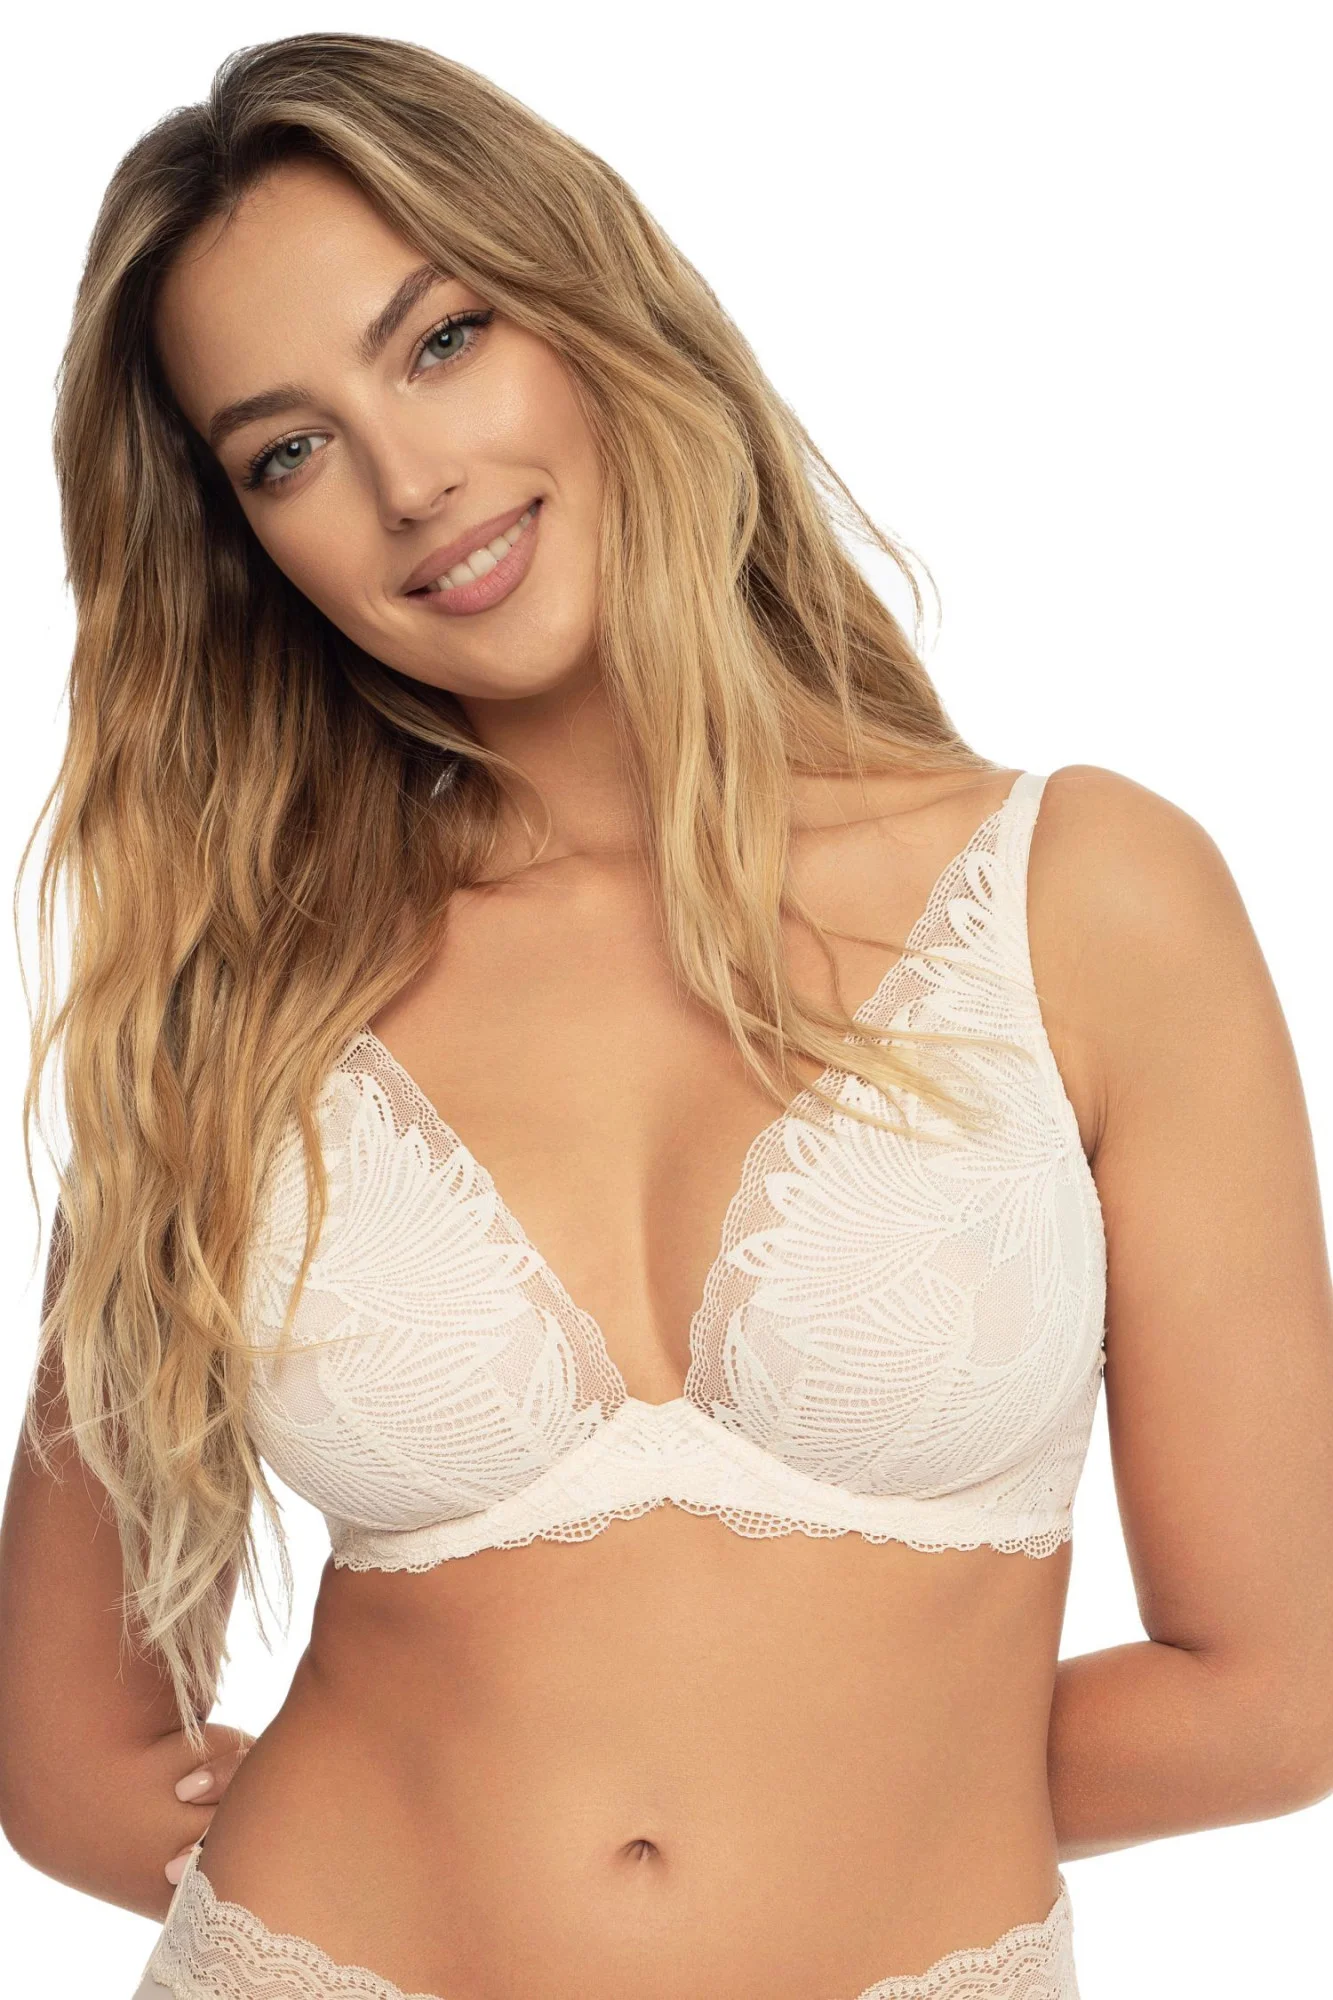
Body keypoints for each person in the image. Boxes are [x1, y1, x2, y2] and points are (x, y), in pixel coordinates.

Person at [2, 30, 1331, 2000]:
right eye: (288, 451)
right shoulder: (243, 1010)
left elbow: (1277, 1694)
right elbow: (67, 1758)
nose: (410, 482)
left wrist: (843, 1819)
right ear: (242, 542)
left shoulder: (1085, 899)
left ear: (592, 308)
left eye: (441, 340)